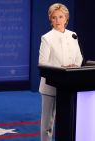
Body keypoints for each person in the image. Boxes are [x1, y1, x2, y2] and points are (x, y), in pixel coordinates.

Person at [38, 3, 83, 141]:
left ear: (66, 18)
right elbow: (42, 63)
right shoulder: (47, 38)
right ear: (50, 19)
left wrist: (74, 65)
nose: (58, 20)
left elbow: (79, 57)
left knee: (66, 121)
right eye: (54, 17)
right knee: (48, 124)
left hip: (68, 86)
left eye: (60, 17)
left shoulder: (73, 35)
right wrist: (62, 68)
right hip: (50, 86)